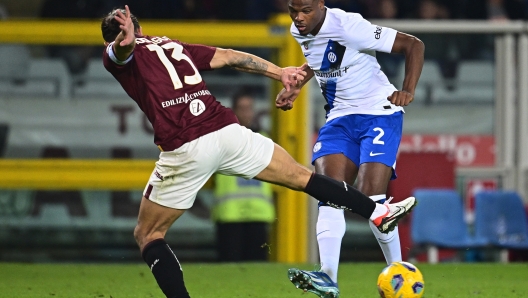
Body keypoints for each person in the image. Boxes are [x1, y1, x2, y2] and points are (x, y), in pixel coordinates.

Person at [100, 6, 416, 298]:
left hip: (187, 144)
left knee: (148, 233)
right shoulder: (171, 46)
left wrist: (122, 43)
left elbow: (121, 52)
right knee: (302, 177)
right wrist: (279, 72)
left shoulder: (119, 53)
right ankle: (377, 212)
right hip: (228, 131)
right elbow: (229, 56)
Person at [275, 1, 424, 297]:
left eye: (305, 10)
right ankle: (328, 278)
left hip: (379, 112)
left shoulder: (349, 26)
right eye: (293, 10)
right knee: (329, 191)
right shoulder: (298, 29)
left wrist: (407, 89)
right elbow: (323, 60)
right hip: (340, 117)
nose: (298, 17)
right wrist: (298, 83)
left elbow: (413, 45)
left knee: (372, 197)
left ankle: (399, 272)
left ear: (321, 5)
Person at [212, 92, 275, 262]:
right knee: (229, 267)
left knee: (257, 267)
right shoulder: (221, 138)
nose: (247, 113)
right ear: (234, 111)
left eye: (249, 108)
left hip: (258, 212)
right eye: (242, 108)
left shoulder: (264, 139)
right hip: (231, 214)